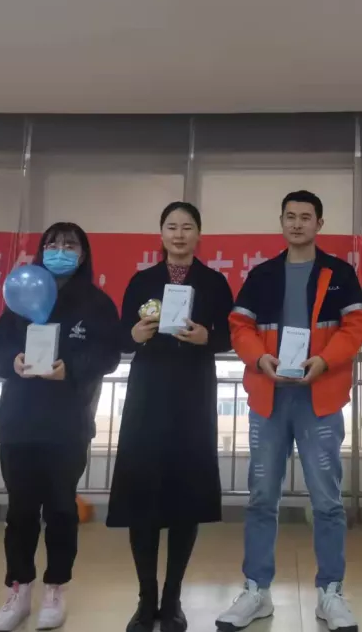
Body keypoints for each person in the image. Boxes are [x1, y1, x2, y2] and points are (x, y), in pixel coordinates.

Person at [218, 191, 362, 632]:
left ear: (320, 223)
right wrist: (258, 358)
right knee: (261, 497)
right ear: (281, 222)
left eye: (306, 217)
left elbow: (357, 325)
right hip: (269, 398)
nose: (297, 224)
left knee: (328, 500)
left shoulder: (339, 273)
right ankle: (256, 590)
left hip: (319, 398)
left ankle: (330, 593)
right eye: (290, 216)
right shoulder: (262, 274)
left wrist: (325, 360)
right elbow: (239, 326)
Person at [0, 222, 121, 632]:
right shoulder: (20, 296)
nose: (60, 250)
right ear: (42, 249)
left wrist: (70, 369)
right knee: (21, 511)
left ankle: (56, 588)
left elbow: (109, 356)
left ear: (83, 253)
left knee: (61, 509)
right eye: (53, 243)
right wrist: (12, 362)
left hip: (67, 423)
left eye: (70, 244)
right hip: (19, 421)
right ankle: (18, 589)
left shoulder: (96, 303)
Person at [107, 202, 235, 632]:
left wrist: (207, 337)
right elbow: (122, 333)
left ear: (199, 234)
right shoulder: (142, 281)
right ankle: (146, 599)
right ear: (161, 233)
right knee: (142, 496)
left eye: (187, 227)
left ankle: (172, 598)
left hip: (193, 395)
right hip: (147, 395)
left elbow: (231, 334)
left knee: (185, 496)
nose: (179, 235)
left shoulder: (213, 282)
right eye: (172, 227)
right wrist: (133, 334)